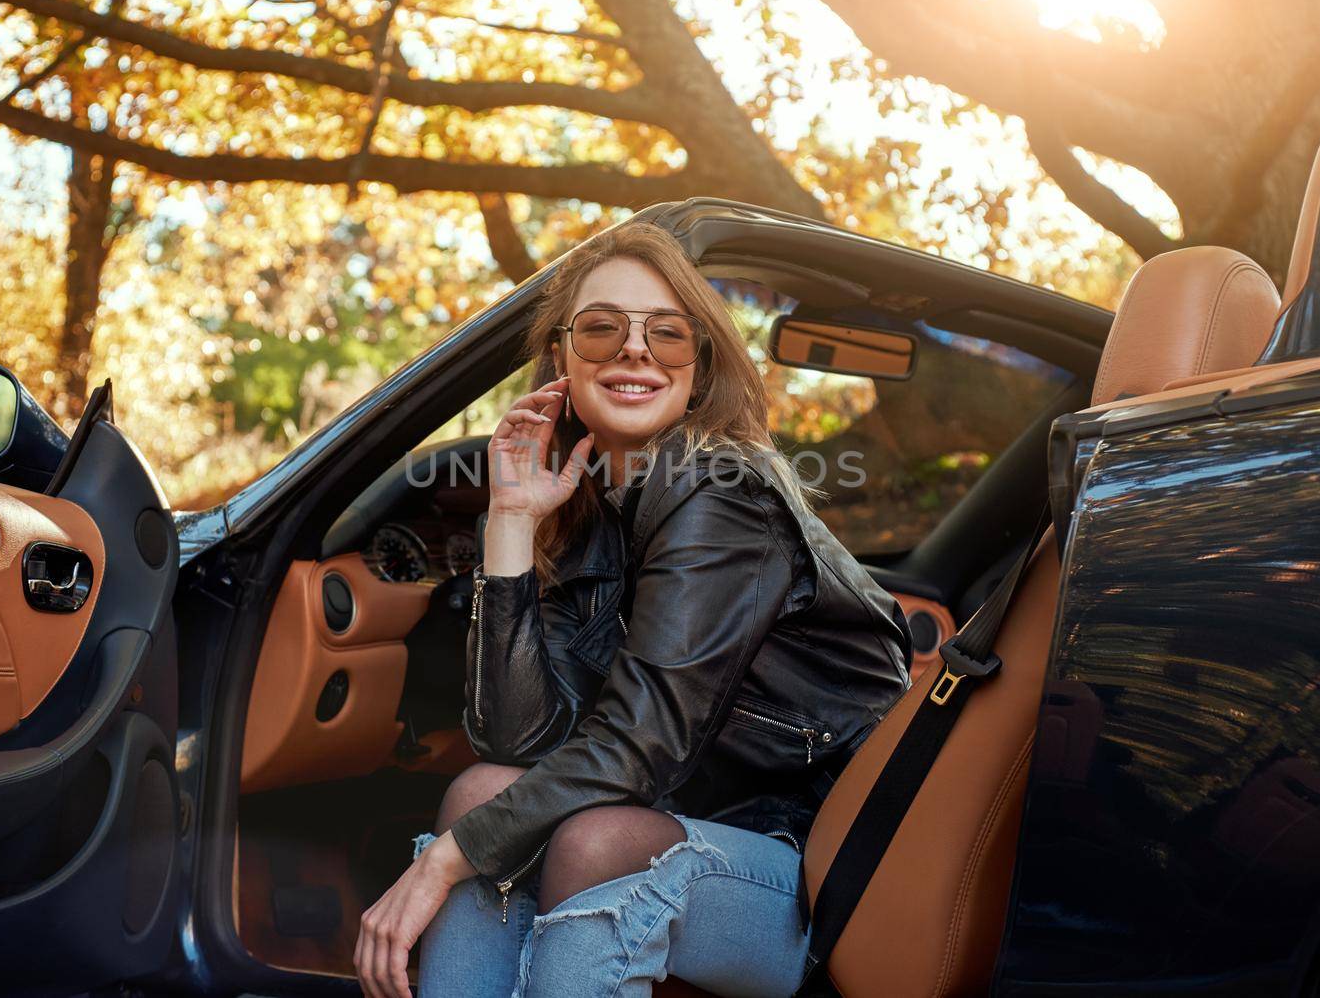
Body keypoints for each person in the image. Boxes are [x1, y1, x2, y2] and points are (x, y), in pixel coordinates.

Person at [354, 222, 911, 998]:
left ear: (698, 362)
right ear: (561, 360)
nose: (635, 350)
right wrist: (511, 522)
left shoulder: (720, 492)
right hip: (694, 812)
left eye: (668, 333)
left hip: (817, 861)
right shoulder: (591, 510)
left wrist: (441, 861)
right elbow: (516, 737)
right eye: (602, 327)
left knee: (592, 842)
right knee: (481, 791)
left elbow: (639, 745)